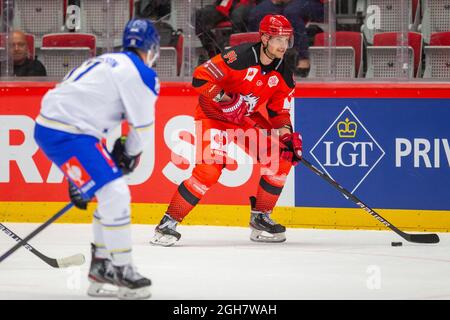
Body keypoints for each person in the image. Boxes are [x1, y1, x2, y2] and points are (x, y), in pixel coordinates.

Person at [33, 19, 160, 300]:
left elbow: (87, 105)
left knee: (109, 193)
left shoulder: (105, 60)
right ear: (151, 49)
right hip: (68, 133)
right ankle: (122, 269)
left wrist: (81, 174)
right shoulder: (141, 73)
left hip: (57, 127)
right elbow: (141, 128)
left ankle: (102, 267)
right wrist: (129, 153)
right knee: (116, 194)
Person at [150, 14, 303, 247]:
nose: (283, 46)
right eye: (277, 40)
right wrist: (225, 99)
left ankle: (261, 218)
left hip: (244, 119)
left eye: (287, 40)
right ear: (263, 38)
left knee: (281, 158)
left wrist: (286, 136)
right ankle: (167, 224)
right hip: (214, 116)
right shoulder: (239, 57)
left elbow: (279, 111)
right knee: (209, 171)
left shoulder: (283, 72)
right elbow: (200, 79)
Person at [248, 0, 325, 77]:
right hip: (283, 3)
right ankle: (261, 59)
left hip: (317, 4)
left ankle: (303, 58)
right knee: (258, 12)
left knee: (292, 12)